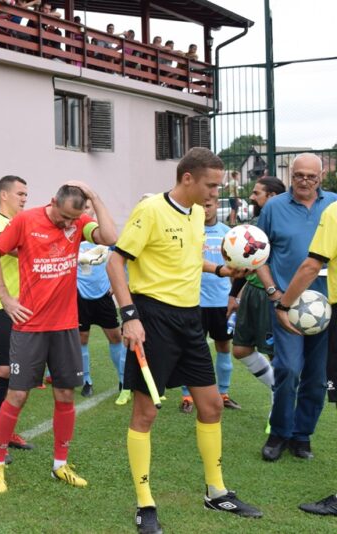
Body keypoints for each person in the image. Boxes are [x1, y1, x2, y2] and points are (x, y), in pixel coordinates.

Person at [107, 148, 263, 533]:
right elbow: (116, 261)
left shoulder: (195, 214)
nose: (215, 193)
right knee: (146, 414)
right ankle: (145, 503)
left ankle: (216, 491)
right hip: (152, 319)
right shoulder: (150, 210)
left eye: (218, 186)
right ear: (187, 178)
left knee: (211, 406)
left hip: (190, 319)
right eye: (211, 185)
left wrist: (220, 269)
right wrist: (130, 317)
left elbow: (188, 258)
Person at [0, 182, 117, 494]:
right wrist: (5, 297)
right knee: (17, 395)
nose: (67, 224)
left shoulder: (79, 222)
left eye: (73, 219)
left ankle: (60, 465)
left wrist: (95, 197)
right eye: (64, 217)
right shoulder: (25, 220)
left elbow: (111, 238)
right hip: (30, 325)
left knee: (65, 394)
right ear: (53, 201)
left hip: (65, 325)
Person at [255, 153, 337, 461]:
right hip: (286, 305)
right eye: (299, 175)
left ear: (321, 178)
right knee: (288, 369)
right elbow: (258, 254)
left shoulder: (333, 204)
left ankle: (302, 436)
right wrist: (274, 293)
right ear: (291, 174)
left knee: (317, 378)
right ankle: (279, 432)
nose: (305, 181)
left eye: (311, 176)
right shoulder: (274, 207)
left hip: (326, 306)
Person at [273, 200, 337, 515]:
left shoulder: (334, 211)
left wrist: (284, 304)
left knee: (316, 378)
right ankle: (283, 434)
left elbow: (312, 266)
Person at [0, 175, 33, 459]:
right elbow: (7, 246)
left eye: (26, 194)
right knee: (2, 371)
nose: (25, 198)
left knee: (21, 375)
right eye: (20, 193)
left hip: (25, 308)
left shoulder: (22, 222)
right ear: (4, 195)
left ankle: (7, 432)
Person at [228, 177, 285, 395]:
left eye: (256, 193)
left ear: (272, 196)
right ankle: (280, 391)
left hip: (269, 293)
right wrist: (234, 295)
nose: (251, 197)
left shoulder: (282, 222)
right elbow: (248, 261)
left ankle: (279, 406)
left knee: (275, 354)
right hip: (251, 292)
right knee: (240, 349)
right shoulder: (256, 221)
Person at [179, 198, 237, 414]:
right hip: (194, 301)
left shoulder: (228, 233)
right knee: (191, 348)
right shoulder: (189, 231)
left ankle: (223, 394)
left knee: (223, 346)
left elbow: (236, 267)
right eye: (200, 206)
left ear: (216, 206)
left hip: (222, 302)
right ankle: (187, 396)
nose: (204, 210)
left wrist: (235, 296)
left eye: (209, 205)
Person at [75, 200, 129, 405]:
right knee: (82, 338)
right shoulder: (72, 235)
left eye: (88, 207)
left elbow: (122, 257)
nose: (84, 210)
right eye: (81, 206)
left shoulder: (103, 235)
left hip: (103, 296)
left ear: (93, 210)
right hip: (80, 296)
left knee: (115, 337)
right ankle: (86, 381)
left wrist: (117, 283)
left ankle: (123, 381)